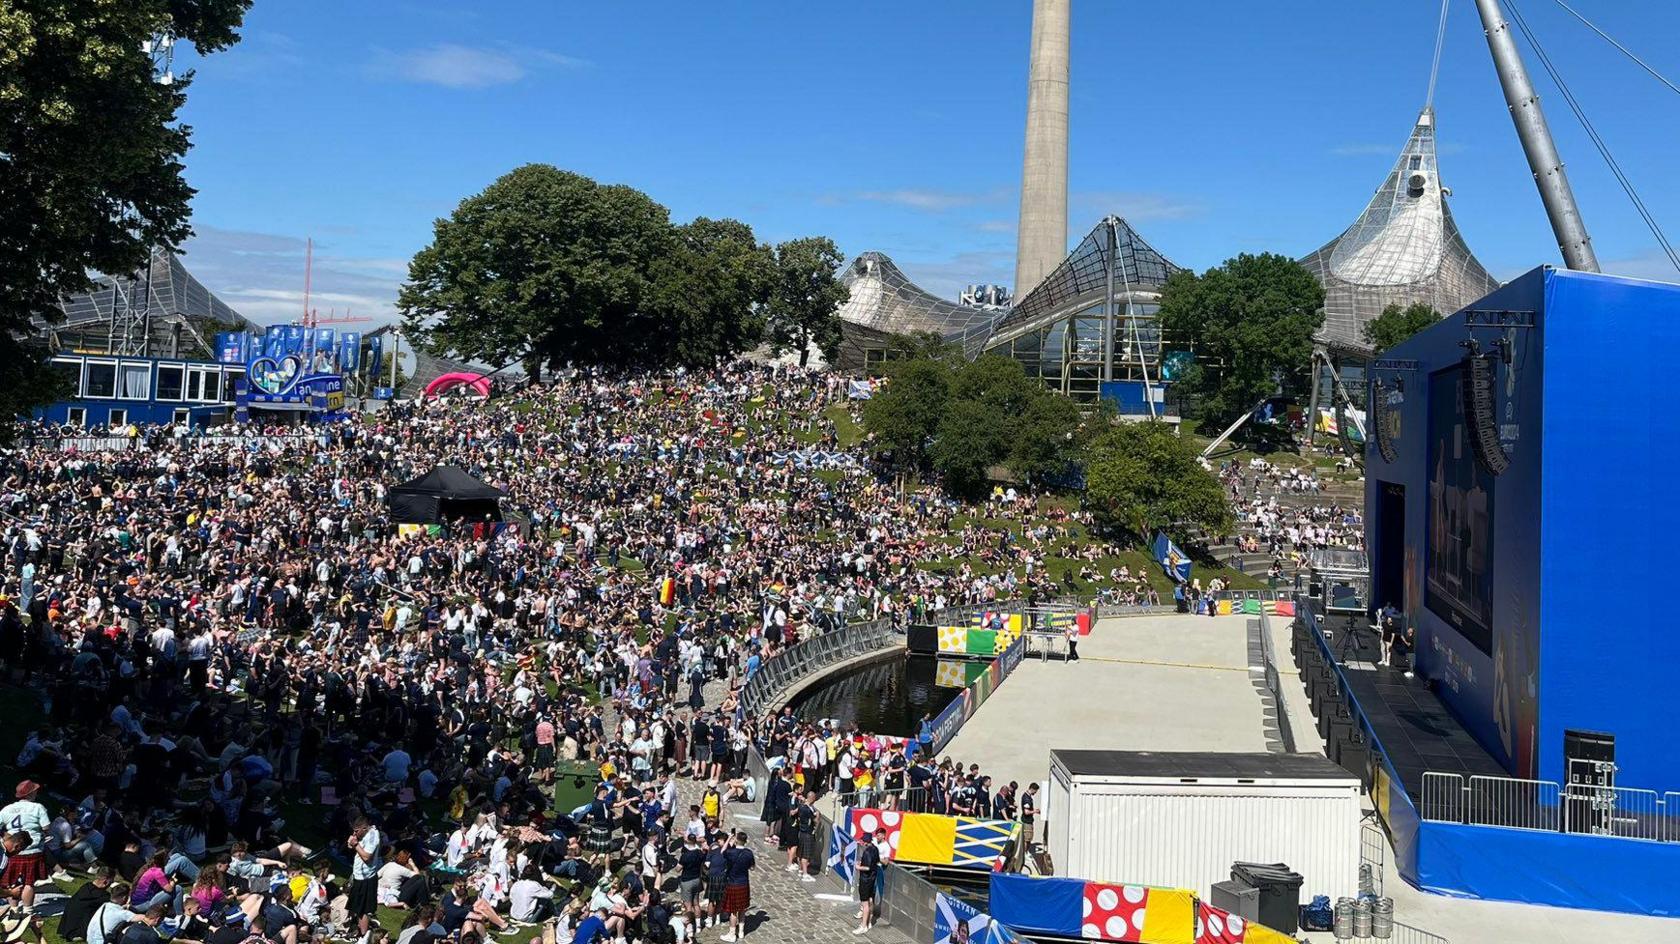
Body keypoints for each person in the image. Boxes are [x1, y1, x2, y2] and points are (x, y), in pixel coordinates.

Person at [0, 782, 53, 909]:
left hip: (12, 849)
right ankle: (28, 910)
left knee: (11, 881)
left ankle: (13, 909)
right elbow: (46, 828)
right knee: (29, 883)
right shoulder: (38, 807)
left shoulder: (7, 809)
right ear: (31, 793)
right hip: (33, 850)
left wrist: (6, 836)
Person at [346, 817, 381, 937]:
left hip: (366, 878)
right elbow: (354, 848)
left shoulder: (372, 837)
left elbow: (366, 857)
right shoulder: (363, 835)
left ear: (365, 828)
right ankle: (356, 927)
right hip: (358, 875)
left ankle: (363, 935)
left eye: (356, 831)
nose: (354, 833)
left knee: (363, 909)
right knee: (356, 905)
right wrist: (353, 843)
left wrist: (355, 845)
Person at [718, 831, 753, 943]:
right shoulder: (749, 853)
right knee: (742, 909)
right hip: (744, 883)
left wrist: (729, 838)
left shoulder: (731, 852)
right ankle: (741, 932)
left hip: (733, 884)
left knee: (733, 911)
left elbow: (722, 851)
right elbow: (752, 868)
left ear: (736, 840)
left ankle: (732, 934)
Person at [852, 828, 883, 936]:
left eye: (862, 841)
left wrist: (858, 867)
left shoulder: (867, 852)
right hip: (873, 879)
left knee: (865, 903)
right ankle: (869, 922)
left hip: (866, 880)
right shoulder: (875, 849)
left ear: (865, 842)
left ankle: (863, 926)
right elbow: (877, 861)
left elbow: (868, 867)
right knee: (870, 900)